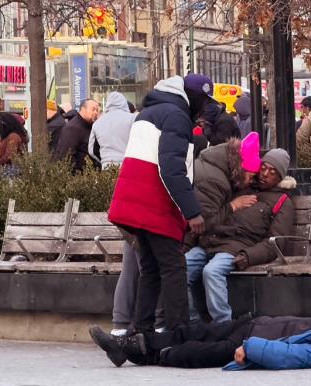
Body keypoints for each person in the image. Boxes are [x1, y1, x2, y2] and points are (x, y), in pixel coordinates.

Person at [108, 74, 210, 334]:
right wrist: (192, 212)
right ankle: (178, 334)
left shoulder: (149, 111)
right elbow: (172, 168)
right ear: (191, 97)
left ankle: (139, 335)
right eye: (203, 100)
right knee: (174, 268)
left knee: (151, 270)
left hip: (134, 201)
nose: (204, 106)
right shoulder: (176, 116)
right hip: (154, 203)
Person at [189, 148, 295, 323]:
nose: (265, 174)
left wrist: (248, 256)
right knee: (181, 267)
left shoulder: (282, 202)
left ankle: (223, 326)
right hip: (209, 242)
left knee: (211, 272)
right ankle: (192, 323)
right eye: (264, 168)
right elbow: (216, 213)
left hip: (236, 248)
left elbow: (276, 242)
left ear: (280, 177)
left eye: (273, 172)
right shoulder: (241, 186)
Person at [88, 315, 311, 369]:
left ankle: (140, 354)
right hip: (253, 323)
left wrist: (253, 348)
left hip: (250, 341)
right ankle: (134, 343)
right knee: (188, 331)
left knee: (191, 352)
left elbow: (291, 356)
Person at [184, 132, 262, 322]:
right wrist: (233, 206)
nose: (251, 182)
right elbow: (205, 222)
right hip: (205, 239)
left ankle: (217, 326)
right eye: (251, 177)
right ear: (242, 169)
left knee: (205, 270)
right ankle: (196, 325)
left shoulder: (222, 168)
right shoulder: (215, 180)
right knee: (180, 269)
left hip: (220, 243)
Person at [89, 92, 136, 169]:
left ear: (108, 104)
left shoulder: (98, 123)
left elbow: (92, 150)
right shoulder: (133, 119)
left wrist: (104, 160)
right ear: (124, 103)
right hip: (129, 165)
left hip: (107, 167)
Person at [53, 99, 100, 173]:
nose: (96, 113)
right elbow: (66, 156)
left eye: (97, 110)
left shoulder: (92, 126)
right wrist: (77, 176)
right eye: (93, 109)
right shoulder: (73, 128)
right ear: (83, 109)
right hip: (79, 178)